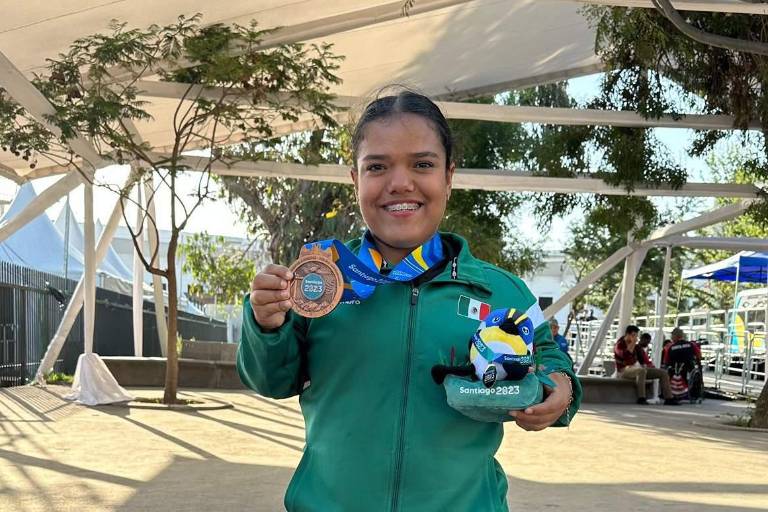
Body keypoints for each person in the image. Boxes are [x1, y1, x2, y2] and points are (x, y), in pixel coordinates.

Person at [238, 89, 581, 512]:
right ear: (355, 179)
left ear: (449, 177)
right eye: (377, 166)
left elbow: (548, 356)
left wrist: (560, 387)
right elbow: (271, 380)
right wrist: (266, 324)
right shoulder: (322, 282)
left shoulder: (501, 292)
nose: (400, 183)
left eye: (422, 164)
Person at [614, 325, 678, 405]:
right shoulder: (619, 345)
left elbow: (642, 359)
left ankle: (669, 398)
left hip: (636, 368)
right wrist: (632, 343)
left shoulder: (637, 347)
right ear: (627, 334)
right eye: (633, 335)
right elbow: (626, 356)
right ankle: (641, 398)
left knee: (663, 373)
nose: (635, 338)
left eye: (636, 336)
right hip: (623, 370)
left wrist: (647, 365)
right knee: (641, 371)